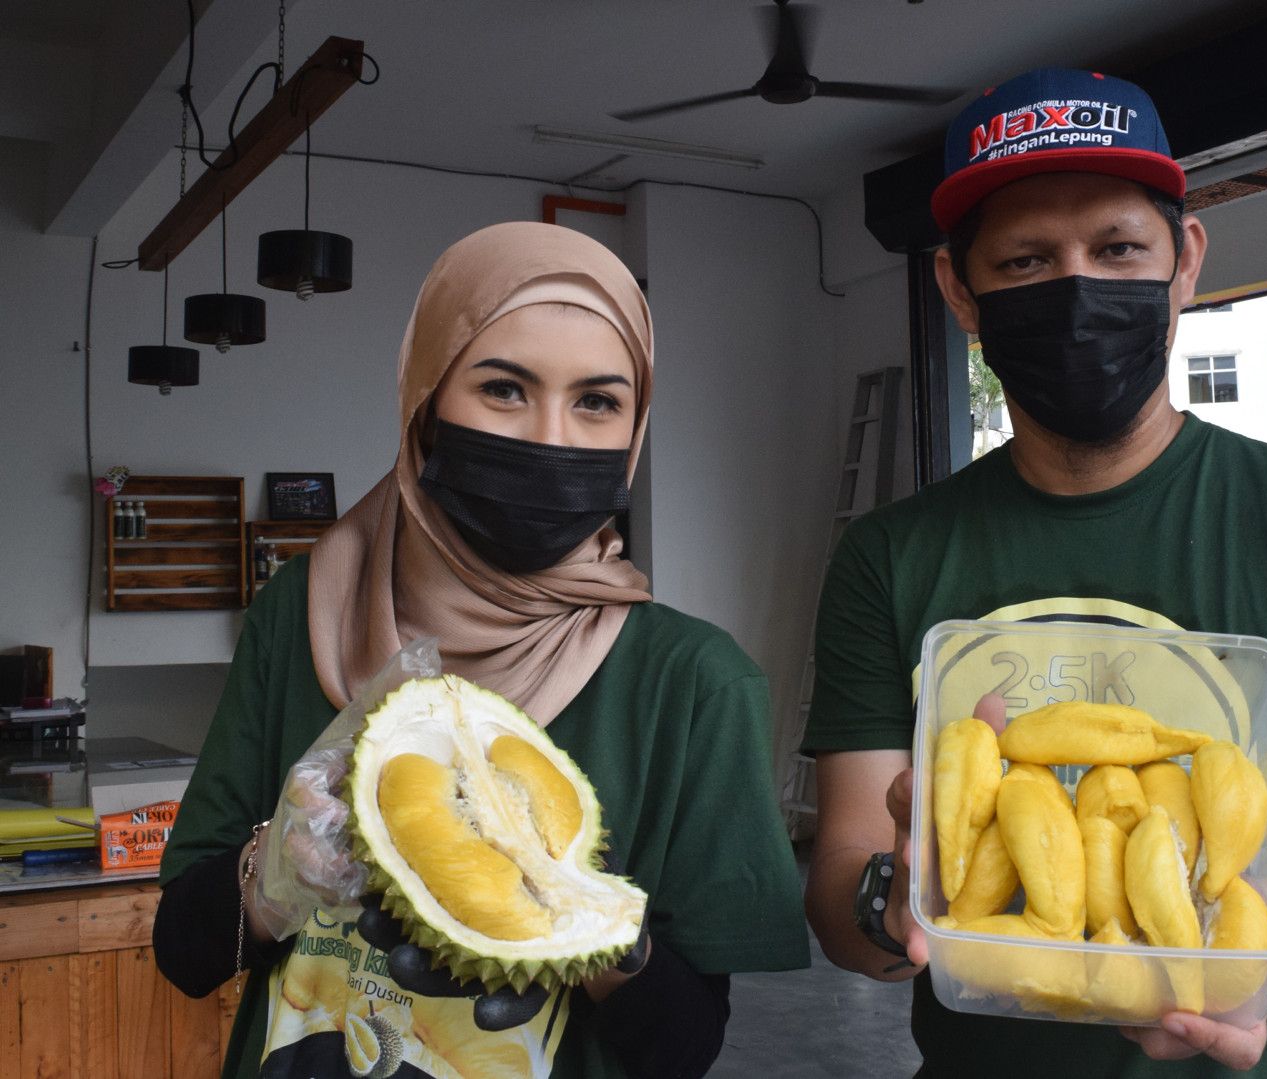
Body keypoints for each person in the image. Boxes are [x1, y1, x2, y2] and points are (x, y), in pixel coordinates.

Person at [802, 67, 1267, 1076]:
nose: (1075, 288)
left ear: (1184, 261)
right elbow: (843, 902)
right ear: (959, 290)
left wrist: (1203, 935)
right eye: (1025, 259)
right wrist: (894, 892)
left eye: (1117, 248)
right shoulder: (893, 554)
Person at [154, 222, 809, 1078]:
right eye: (503, 388)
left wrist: (583, 920)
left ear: (635, 423)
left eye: (597, 401)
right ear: (426, 400)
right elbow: (184, 953)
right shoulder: (302, 615)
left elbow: (684, 1047)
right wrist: (276, 876)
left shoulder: (695, 683)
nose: (552, 436)